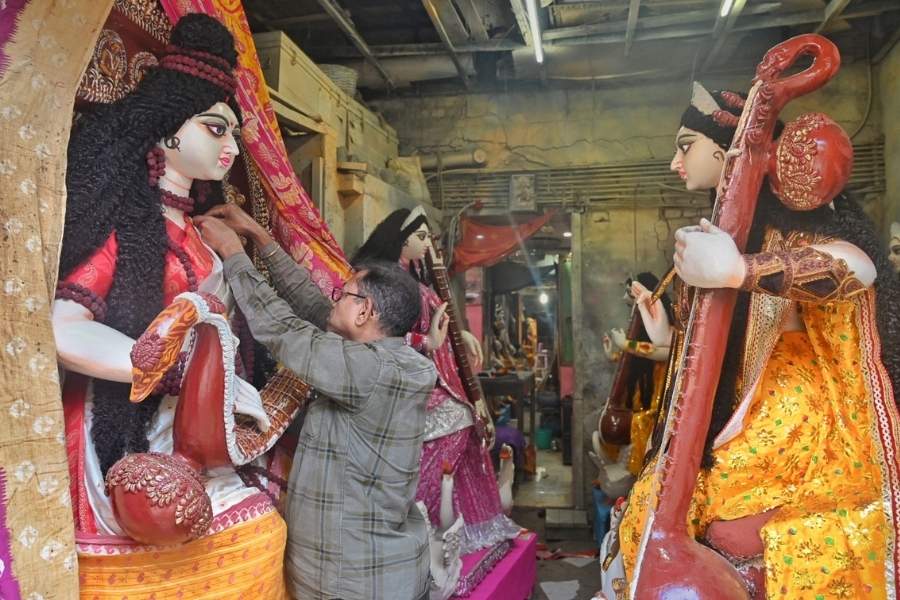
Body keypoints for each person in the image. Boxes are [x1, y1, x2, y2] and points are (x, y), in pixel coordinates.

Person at [604, 82, 900, 598]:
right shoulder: (736, 229)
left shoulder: (788, 237)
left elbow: (858, 267)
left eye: (684, 145)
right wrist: (669, 338)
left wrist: (741, 269)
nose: (676, 162)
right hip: (742, 418)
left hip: (793, 424)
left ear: (725, 151)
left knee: (713, 514)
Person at [53, 14, 296, 597]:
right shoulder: (129, 226)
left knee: (261, 537)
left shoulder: (205, 233)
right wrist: (182, 370)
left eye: (235, 134)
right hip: (123, 426)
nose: (233, 148)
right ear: (165, 134)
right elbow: (63, 328)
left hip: (200, 434)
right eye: (217, 130)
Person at [196, 203, 436, 600]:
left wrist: (234, 256)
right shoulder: (383, 358)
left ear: (365, 312)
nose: (335, 298)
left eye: (345, 293)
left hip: (356, 579)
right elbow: (313, 307)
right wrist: (262, 238)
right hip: (372, 568)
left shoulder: (369, 370)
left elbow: (283, 331)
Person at [353, 207, 521, 556]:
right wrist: (425, 342)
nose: (427, 245)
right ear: (401, 239)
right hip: (405, 381)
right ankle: (423, 518)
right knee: (462, 422)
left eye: (428, 237)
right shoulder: (380, 279)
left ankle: (461, 524)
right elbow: (373, 335)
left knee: (471, 429)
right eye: (421, 237)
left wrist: (460, 337)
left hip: (433, 374)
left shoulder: (411, 277)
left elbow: (436, 318)